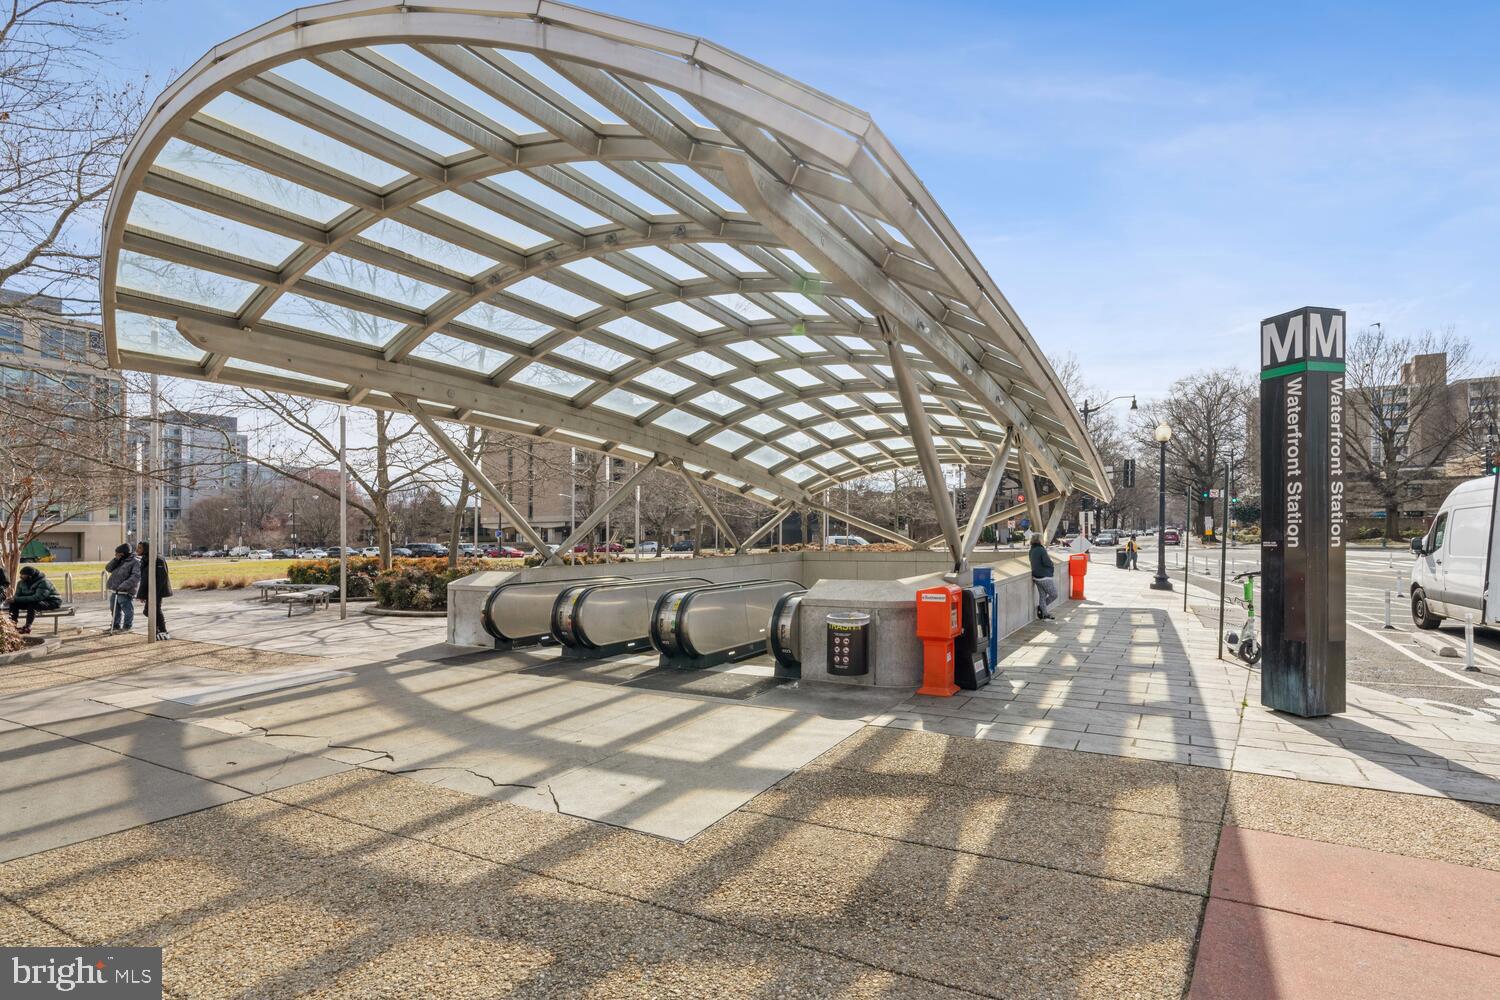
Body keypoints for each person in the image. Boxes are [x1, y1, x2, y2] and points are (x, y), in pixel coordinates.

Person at [8, 566, 61, 634]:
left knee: (33, 603)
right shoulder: (21, 583)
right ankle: (12, 625)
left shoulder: (44, 582)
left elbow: (37, 597)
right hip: (32, 601)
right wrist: (13, 599)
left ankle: (27, 626)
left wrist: (17, 599)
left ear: (30, 576)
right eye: (20, 574)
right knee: (14, 603)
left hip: (51, 601)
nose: (20, 576)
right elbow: (17, 596)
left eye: (23, 575)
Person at [136, 541, 172, 640]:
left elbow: (162, 578)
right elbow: (145, 578)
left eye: (139, 548)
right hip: (150, 590)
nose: (137, 550)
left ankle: (163, 631)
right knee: (149, 611)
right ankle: (158, 630)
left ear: (146, 549)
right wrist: (143, 594)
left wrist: (154, 593)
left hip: (157, 590)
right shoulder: (146, 558)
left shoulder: (157, 559)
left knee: (153, 610)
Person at [104, 543, 140, 634]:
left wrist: (124, 586)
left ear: (123, 553)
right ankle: (115, 625)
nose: (116, 555)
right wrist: (116, 559)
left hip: (125, 591)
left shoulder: (135, 562)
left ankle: (127, 626)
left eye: (117, 554)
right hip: (115, 589)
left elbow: (135, 576)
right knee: (114, 609)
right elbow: (108, 568)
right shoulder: (120, 560)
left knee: (127, 608)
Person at [1029, 532, 1057, 620]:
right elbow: (1047, 562)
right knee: (1054, 595)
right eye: (1042, 538)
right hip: (1044, 576)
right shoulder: (1041, 550)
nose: (1043, 540)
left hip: (1036, 576)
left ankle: (1044, 613)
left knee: (1042, 595)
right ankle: (1041, 608)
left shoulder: (1031, 550)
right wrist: (1051, 566)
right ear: (1039, 540)